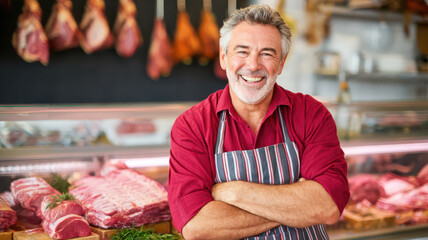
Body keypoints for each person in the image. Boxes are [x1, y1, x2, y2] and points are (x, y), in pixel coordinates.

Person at [168, 4, 349, 240]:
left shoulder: (311, 114)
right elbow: (197, 226)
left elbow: (326, 207)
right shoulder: (192, 126)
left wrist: (231, 192)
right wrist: (298, 206)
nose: (253, 65)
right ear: (224, 58)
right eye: (242, 52)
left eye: (267, 53)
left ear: (281, 63)